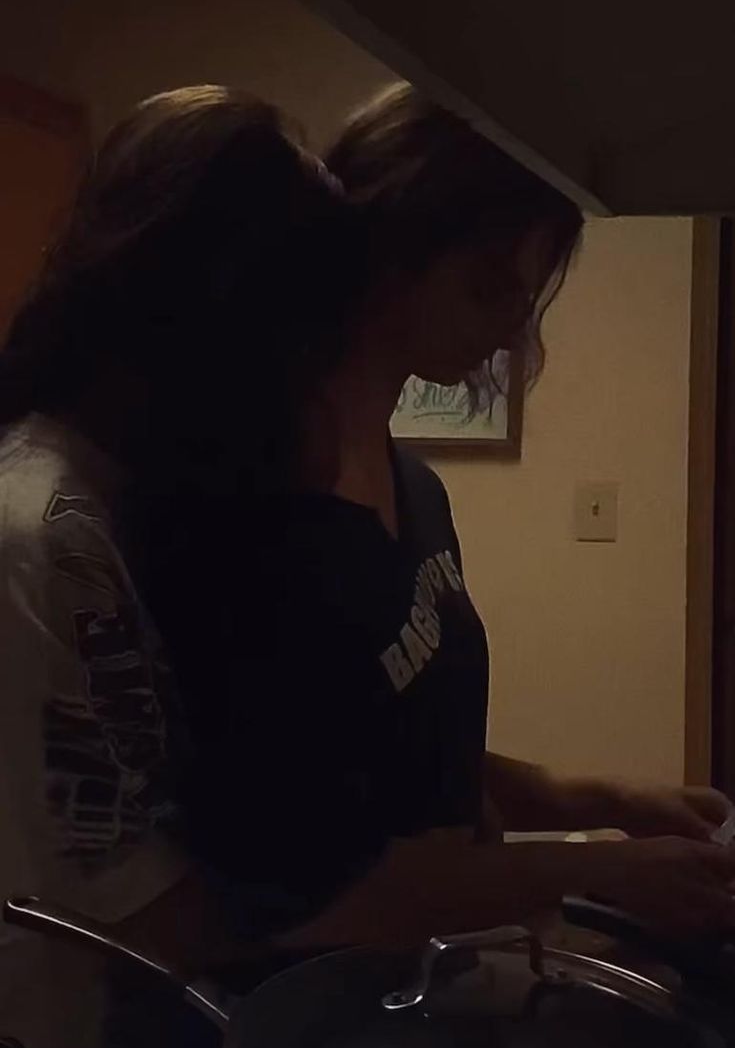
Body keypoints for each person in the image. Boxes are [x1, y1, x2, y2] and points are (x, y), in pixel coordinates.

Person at [0, 83, 733, 971]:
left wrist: (580, 796)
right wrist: (590, 872)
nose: (510, 336)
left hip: (408, 987)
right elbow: (264, 883)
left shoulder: (411, 486)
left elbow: (366, 748)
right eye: (487, 290)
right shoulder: (212, 513)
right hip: (246, 1028)